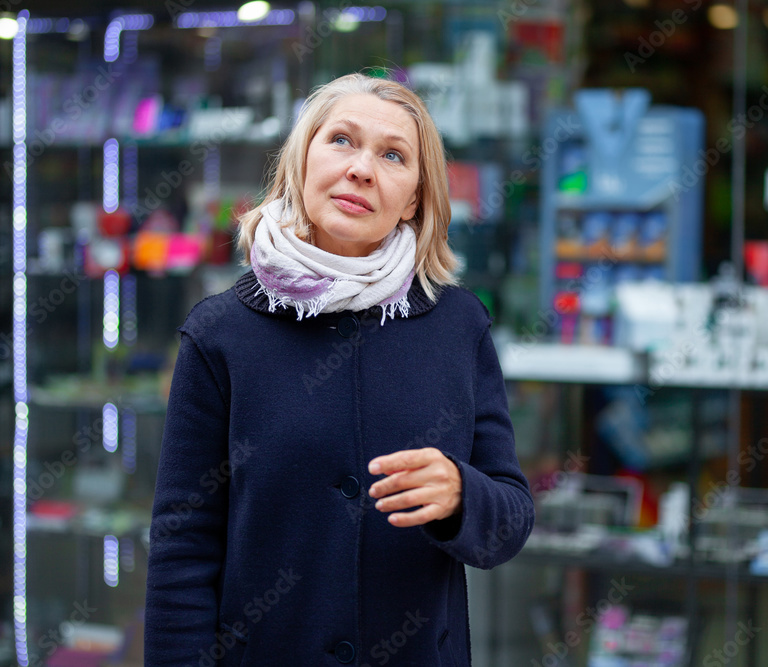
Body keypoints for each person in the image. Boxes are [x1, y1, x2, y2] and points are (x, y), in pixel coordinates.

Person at [144, 71, 535, 666]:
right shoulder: (219, 334)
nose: (361, 168)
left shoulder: (459, 327)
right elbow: (183, 546)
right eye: (342, 141)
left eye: (394, 155)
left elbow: (509, 521)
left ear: (415, 199)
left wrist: (463, 495)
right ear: (302, 159)